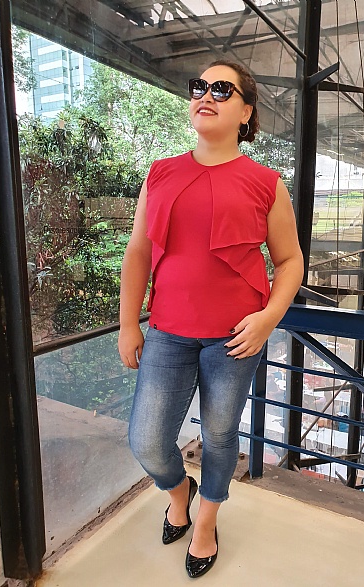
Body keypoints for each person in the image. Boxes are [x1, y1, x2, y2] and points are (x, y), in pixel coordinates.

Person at [118, 59, 304, 579]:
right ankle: (180, 491)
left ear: (246, 112)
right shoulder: (160, 173)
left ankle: (206, 520)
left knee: (220, 435)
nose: (206, 94)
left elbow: (290, 261)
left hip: (235, 339)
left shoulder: (266, 184)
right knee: (147, 440)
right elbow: (138, 252)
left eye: (222, 89)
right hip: (167, 333)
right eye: (199, 86)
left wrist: (268, 318)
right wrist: (129, 323)